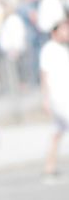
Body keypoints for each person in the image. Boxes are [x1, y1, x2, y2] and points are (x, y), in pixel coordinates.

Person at [38, 12, 69, 181]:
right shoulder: (49, 50)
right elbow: (44, 75)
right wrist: (45, 99)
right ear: (54, 32)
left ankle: (49, 167)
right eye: (64, 29)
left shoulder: (62, 49)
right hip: (59, 98)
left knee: (57, 133)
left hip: (64, 96)